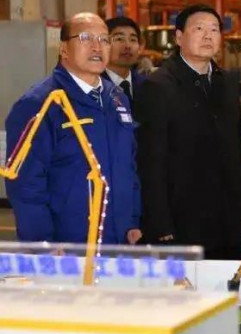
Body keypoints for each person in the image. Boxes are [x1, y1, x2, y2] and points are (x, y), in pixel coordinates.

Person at [5, 12, 141, 245]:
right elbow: (25, 185)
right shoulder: (40, 104)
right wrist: (42, 243)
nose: (97, 46)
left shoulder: (117, 98)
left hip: (120, 239)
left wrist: (132, 220)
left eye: (104, 39)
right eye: (86, 38)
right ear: (64, 49)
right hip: (68, 244)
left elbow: (129, 166)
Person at [135, 5, 241, 260]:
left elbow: (240, 147)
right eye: (199, 29)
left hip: (228, 221)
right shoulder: (158, 86)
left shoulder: (225, 82)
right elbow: (150, 161)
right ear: (179, 37)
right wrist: (159, 222)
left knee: (229, 283)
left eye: (214, 30)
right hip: (183, 222)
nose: (207, 35)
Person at [103, 16, 146, 111]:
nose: (128, 45)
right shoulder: (93, 86)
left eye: (133, 40)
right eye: (119, 39)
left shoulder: (148, 86)